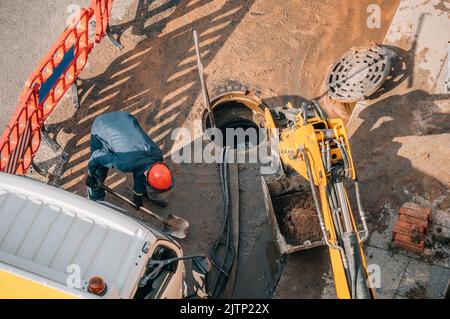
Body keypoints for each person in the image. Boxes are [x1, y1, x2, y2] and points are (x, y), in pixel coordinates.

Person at [85, 111, 173, 208]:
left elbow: (142, 169)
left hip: (125, 118)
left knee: (142, 165)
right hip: (102, 127)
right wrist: (91, 175)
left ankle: (143, 192)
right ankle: (96, 202)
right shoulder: (125, 163)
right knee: (99, 172)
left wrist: (137, 194)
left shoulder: (157, 155)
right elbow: (97, 156)